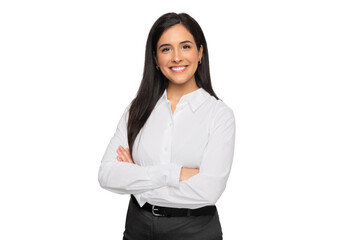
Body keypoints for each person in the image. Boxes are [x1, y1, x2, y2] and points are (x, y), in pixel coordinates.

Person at [98, 12, 236, 240]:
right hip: (138, 227)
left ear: (200, 53)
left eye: (185, 47)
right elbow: (107, 174)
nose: (176, 57)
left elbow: (208, 191)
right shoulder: (138, 109)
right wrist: (175, 174)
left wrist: (137, 179)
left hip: (195, 231)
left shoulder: (219, 115)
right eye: (166, 49)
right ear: (155, 58)